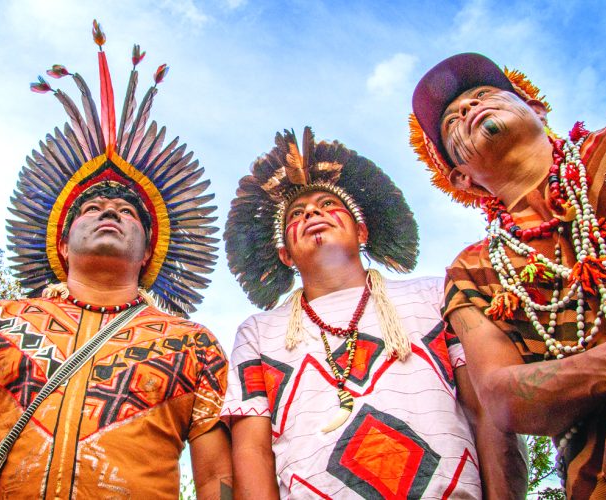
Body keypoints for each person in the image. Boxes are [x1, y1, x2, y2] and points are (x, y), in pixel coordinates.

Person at [0, 23, 231, 500]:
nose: (109, 210)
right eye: (90, 209)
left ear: (150, 249)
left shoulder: (194, 345)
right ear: (62, 244)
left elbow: (216, 477)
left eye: (128, 211)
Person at [410, 52, 606, 498]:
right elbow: (500, 395)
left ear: (537, 109)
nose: (470, 108)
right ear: (460, 177)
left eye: (484, 94)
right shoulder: (473, 272)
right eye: (453, 120)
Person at [220, 128, 525, 499]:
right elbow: (252, 450)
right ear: (286, 255)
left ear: (361, 231)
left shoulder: (435, 295)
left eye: (329, 205)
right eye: (297, 214)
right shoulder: (259, 333)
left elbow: (487, 409)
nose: (313, 212)